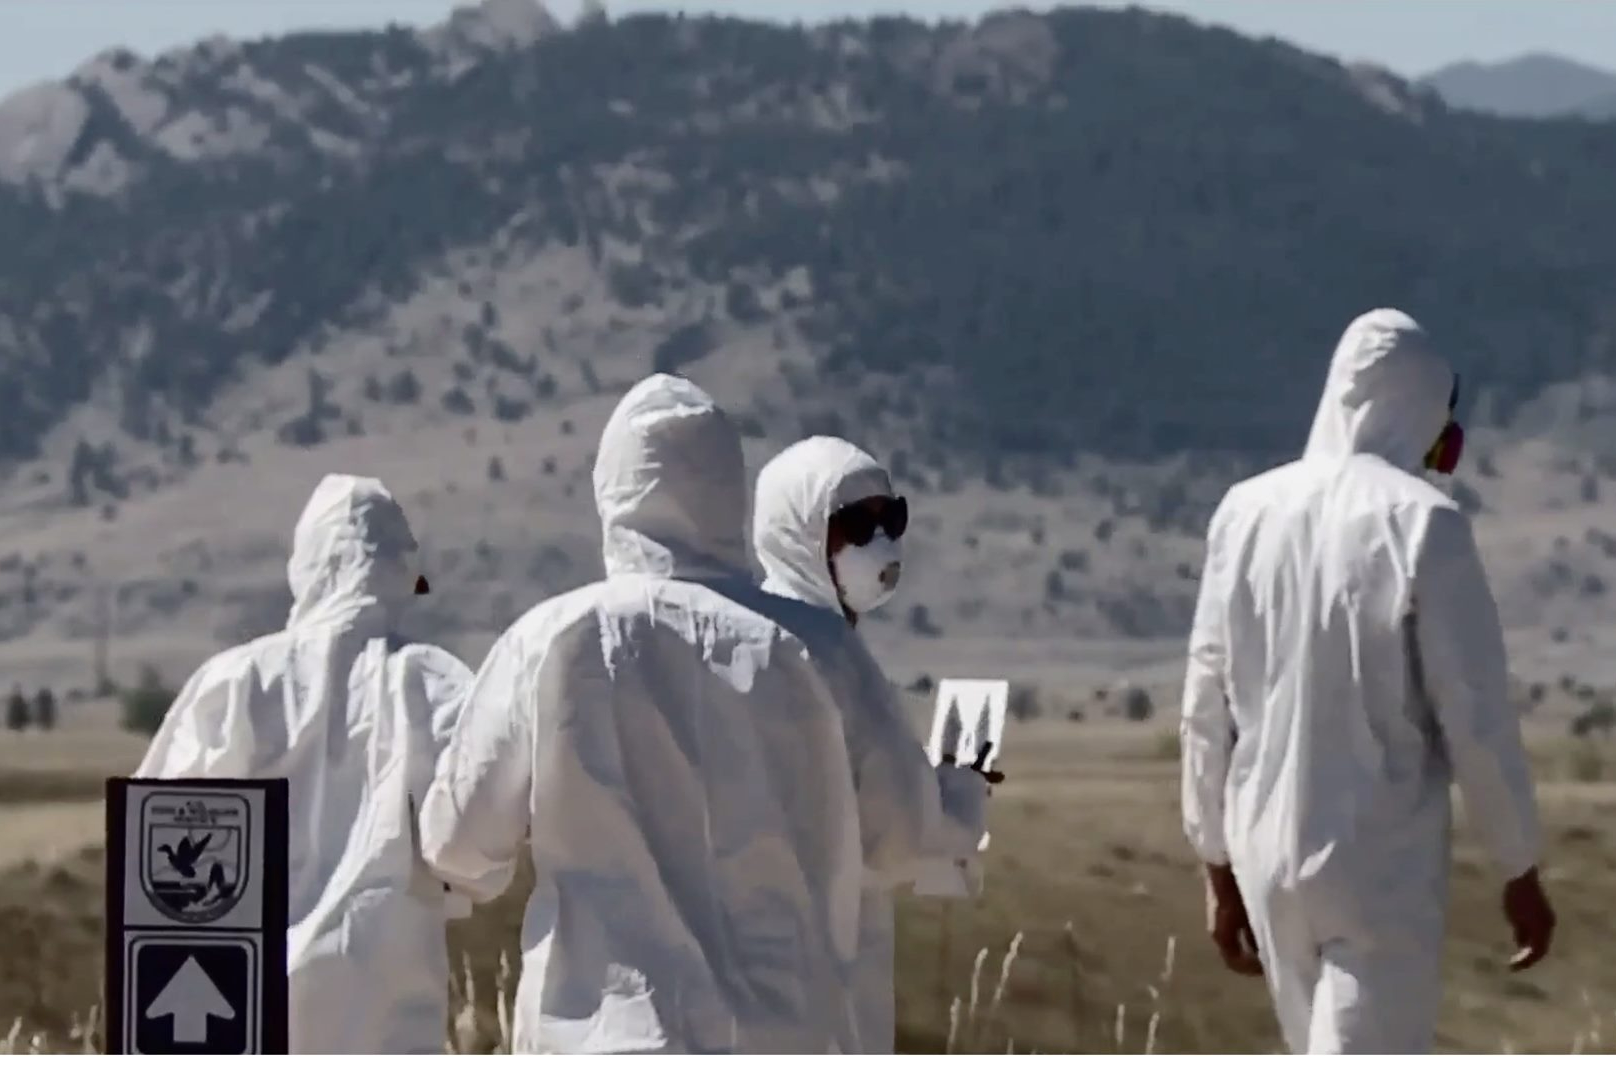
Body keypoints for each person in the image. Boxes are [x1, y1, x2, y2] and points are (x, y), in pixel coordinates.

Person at [419, 375, 988, 1054]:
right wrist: (960, 793)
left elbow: (459, 844)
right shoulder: (819, 647)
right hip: (783, 1030)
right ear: (730, 487)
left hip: (605, 1034)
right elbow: (900, 838)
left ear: (612, 488)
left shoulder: (546, 640)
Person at [1179, 309, 1555, 1053]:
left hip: (1264, 857)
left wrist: (1214, 862)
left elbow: (1203, 706)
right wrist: (1518, 864)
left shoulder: (1243, 512)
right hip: (1376, 864)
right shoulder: (1426, 524)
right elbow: (1474, 717)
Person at [136, 473, 473, 1054]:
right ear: (399, 568)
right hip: (391, 1014)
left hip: (232, 1007)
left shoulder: (233, 683)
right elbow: (476, 855)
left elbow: (154, 861)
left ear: (309, 563)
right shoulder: (434, 684)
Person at [750, 436, 1000, 1054]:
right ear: (801, 530)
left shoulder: (739, 637)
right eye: (859, 525)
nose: (883, 543)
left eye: (892, 520)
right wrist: (961, 792)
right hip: (824, 970)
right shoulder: (833, 656)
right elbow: (901, 834)